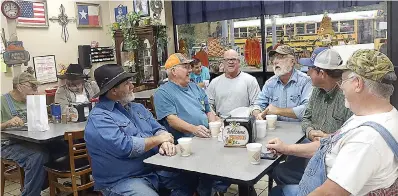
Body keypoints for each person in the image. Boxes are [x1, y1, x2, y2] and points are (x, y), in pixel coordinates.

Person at [268, 49, 398, 196]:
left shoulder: (366, 139)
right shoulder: (374, 116)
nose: (340, 86)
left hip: (324, 183)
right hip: (323, 176)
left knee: (278, 192)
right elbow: (329, 144)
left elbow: (329, 193)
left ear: (357, 83)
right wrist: (285, 148)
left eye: (343, 80)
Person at [84, 64, 197, 196]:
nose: (132, 86)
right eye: (127, 84)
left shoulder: (137, 108)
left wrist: (165, 141)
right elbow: (126, 147)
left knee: (191, 178)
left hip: (152, 170)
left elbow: (158, 128)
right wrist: (159, 139)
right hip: (121, 180)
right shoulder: (100, 118)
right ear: (113, 90)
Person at [271, 48, 354, 186]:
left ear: (321, 73)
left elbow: (351, 136)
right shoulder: (316, 91)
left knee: (280, 178)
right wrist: (310, 132)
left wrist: (329, 137)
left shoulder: (347, 97)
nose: (307, 72)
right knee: (280, 170)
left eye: (310, 68)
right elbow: (306, 118)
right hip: (313, 152)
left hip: (332, 164)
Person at [154, 53, 218, 196]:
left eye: (190, 66)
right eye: (185, 67)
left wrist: (214, 124)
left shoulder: (195, 87)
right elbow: (172, 120)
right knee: (209, 174)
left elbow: (208, 110)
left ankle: (207, 189)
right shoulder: (163, 93)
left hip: (207, 140)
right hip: (186, 147)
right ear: (173, 71)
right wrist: (194, 129)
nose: (190, 70)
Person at [1, 72, 49, 196]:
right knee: (36, 156)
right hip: (7, 144)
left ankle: (40, 185)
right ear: (20, 86)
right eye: (32, 87)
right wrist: (7, 123)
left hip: (30, 141)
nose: (35, 90)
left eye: (36, 87)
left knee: (60, 147)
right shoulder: (2, 102)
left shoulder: (31, 101)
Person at [251, 45, 312, 122]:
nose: (275, 61)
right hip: (274, 130)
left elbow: (307, 110)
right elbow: (259, 104)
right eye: (274, 58)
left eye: (281, 57)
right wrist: (257, 113)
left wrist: (278, 111)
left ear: (292, 61)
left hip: (298, 130)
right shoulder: (270, 83)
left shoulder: (305, 81)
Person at [207, 49, 260, 116]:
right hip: (221, 122)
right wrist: (214, 118)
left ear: (239, 62)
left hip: (243, 122)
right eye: (227, 60)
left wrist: (255, 112)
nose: (230, 62)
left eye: (233, 59)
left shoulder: (250, 80)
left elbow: (257, 103)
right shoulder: (214, 82)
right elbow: (208, 105)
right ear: (223, 63)